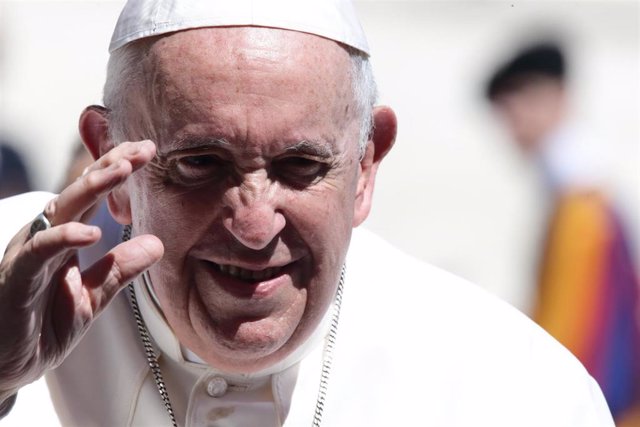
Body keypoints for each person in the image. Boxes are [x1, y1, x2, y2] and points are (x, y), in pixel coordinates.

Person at [0, 2, 615, 425]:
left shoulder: (513, 391)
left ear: (366, 165)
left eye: (300, 166)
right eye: (201, 164)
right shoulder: (11, 281)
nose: (255, 226)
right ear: (111, 158)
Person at [485, 41, 640, 426]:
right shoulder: (582, 195)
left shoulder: (581, 207)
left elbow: (572, 339)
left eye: (517, 105)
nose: (512, 126)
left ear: (555, 97)